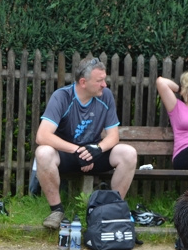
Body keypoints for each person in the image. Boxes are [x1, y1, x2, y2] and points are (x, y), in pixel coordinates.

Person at [35, 57, 137, 229]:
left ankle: (113, 210)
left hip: (94, 153)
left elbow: (113, 136)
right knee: (43, 152)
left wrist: (96, 149)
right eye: (99, 81)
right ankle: (56, 211)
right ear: (83, 82)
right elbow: (42, 135)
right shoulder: (62, 96)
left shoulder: (106, 96)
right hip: (67, 154)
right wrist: (78, 150)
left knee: (128, 153)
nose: (104, 84)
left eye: (104, 79)